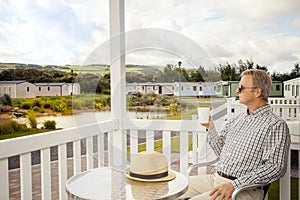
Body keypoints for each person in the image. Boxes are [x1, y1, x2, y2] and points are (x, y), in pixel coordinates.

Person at [180, 69, 291, 200]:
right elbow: (220, 151)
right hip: (216, 178)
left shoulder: (275, 125)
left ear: (257, 92)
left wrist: (234, 185)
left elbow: (275, 167)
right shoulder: (236, 119)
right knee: (171, 190)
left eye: (241, 88)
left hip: (244, 189)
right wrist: (210, 128)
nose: (237, 91)